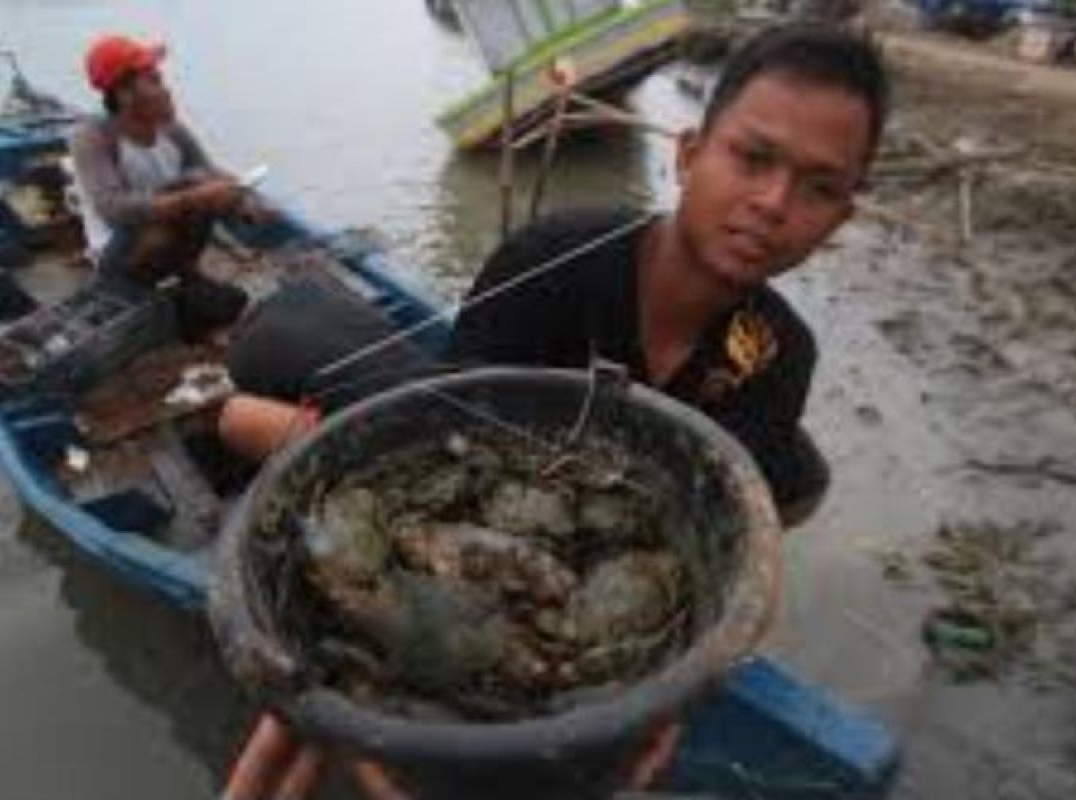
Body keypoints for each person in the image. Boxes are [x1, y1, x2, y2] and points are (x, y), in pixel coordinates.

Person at [218, 23, 890, 797]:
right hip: (458, 521)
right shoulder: (547, 264)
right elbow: (444, 449)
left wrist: (666, 702)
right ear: (690, 151)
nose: (773, 203)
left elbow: (714, 553)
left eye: (819, 187)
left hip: (598, 584)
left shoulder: (776, 357)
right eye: (753, 158)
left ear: (841, 218)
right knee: (305, 693)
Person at [70, 34, 253, 340]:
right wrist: (193, 197)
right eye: (154, 80)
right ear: (125, 93)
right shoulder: (93, 137)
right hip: (121, 259)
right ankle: (140, 298)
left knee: (232, 303)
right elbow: (113, 210)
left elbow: (209, 170)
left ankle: (183, 276)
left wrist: (246, 196)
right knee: (192, 187)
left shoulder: (172, 128)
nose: (165, 88)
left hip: (172, 255)